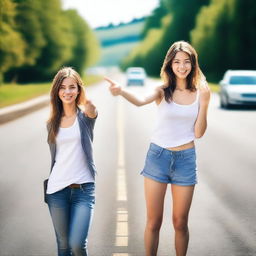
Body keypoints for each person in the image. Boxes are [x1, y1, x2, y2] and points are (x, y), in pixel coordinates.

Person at [104, 41, 210, 256]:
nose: (182, 66)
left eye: (186, 62)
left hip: (186, 159)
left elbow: (198, 133)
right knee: (154, 222)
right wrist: (121, 91)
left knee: (180, 222)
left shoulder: (200, 93)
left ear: (193, 64)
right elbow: (141, 101)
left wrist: (205, 102)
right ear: (170, 64)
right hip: (158, 157)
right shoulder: (162, 90)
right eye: (177, 62)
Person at [45, 67, 98, 256]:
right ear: (57, 91)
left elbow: (92, 112)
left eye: (72, 87)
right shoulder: (52, 122)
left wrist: (89, 106)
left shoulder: (85, 118)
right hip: (56, 191)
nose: (67, 91)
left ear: (78, 90)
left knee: (77, 245)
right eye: (63, 87)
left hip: (83, 189)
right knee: (63, 246)